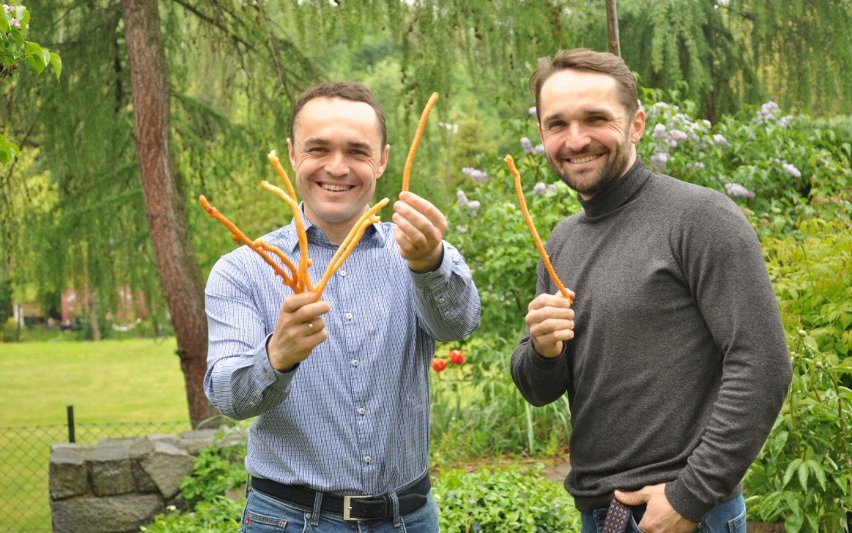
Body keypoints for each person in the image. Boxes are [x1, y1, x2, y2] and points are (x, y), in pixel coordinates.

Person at [510, 48, 792, 533]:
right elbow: (540, 388)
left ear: (636, 123)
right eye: (557, 124)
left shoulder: (700, 218)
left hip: (682, 515)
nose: (575, 140)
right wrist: (542, 349)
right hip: (599, 516)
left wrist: (692, 495)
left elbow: (762, 364)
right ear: (542, 134)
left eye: (595, 118)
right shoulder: (562, 239)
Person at [204, 81, 481, 532]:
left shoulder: (418, 249)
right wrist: (276, 357)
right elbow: (228, 399)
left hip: (408, 519)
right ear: (292, 154)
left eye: (357, 151)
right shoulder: (242, 271)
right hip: (290, 521)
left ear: (383, 159)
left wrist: (430, 264)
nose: (337, 167)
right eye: (318, 149)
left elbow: (459, 325)